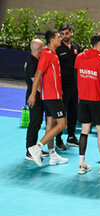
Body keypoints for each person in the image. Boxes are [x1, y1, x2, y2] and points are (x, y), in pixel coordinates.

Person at [27, 29, 68, 167]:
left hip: (53, 95)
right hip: (52, 96)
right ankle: (37, 147)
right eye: (58, 37)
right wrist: (33, 94)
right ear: (52, 39)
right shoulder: (46, 54)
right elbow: (38, 74)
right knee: (62, 124)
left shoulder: (53, 54)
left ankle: (52, 156)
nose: (60, 39)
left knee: (50, 125)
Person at [75, 33, 100, 175]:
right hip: (98, 100)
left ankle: (81, 164)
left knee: (84, 131)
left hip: (83, 99)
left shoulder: (78, 58)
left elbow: (76, 76)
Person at [55, 24, 81, 150]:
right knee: (61, 114)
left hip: (75, 86)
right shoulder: (58, 48)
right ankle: (58, 139)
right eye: (62, 34)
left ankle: (71, 136)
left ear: (71, 32)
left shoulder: (76, 47)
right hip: (63, 87)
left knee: (73, 112)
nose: (65, 36)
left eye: (67, 33)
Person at [25, 39, 46, 161]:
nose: (44, 48)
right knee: (34, 123)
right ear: (38, 49)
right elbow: (36, 82)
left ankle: (35, 148)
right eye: (42, 46)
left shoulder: (36, 60)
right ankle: (29, 151)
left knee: (37, 123)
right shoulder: (31, 62)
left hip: (39, 97)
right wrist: (45, 93)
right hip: (35, 98)